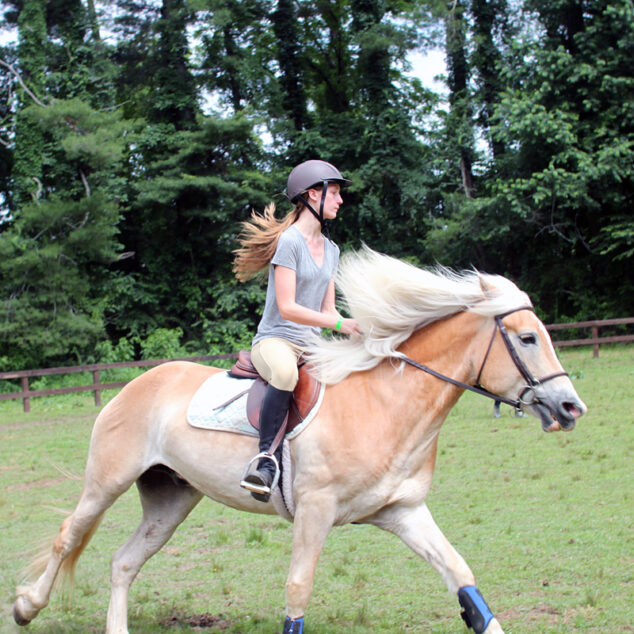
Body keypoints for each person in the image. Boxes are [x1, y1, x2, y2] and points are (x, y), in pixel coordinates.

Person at [233, 159, 361, 502]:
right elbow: (288, 306)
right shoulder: (289, 242)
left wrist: (354, 330)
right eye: (333, 193)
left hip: (312, 344)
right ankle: (265, 460)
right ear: (311, 196)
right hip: (275, 340)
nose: (339, 200)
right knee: (286, 374)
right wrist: (337, 323)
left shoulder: (332, 250)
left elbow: (328, 310)